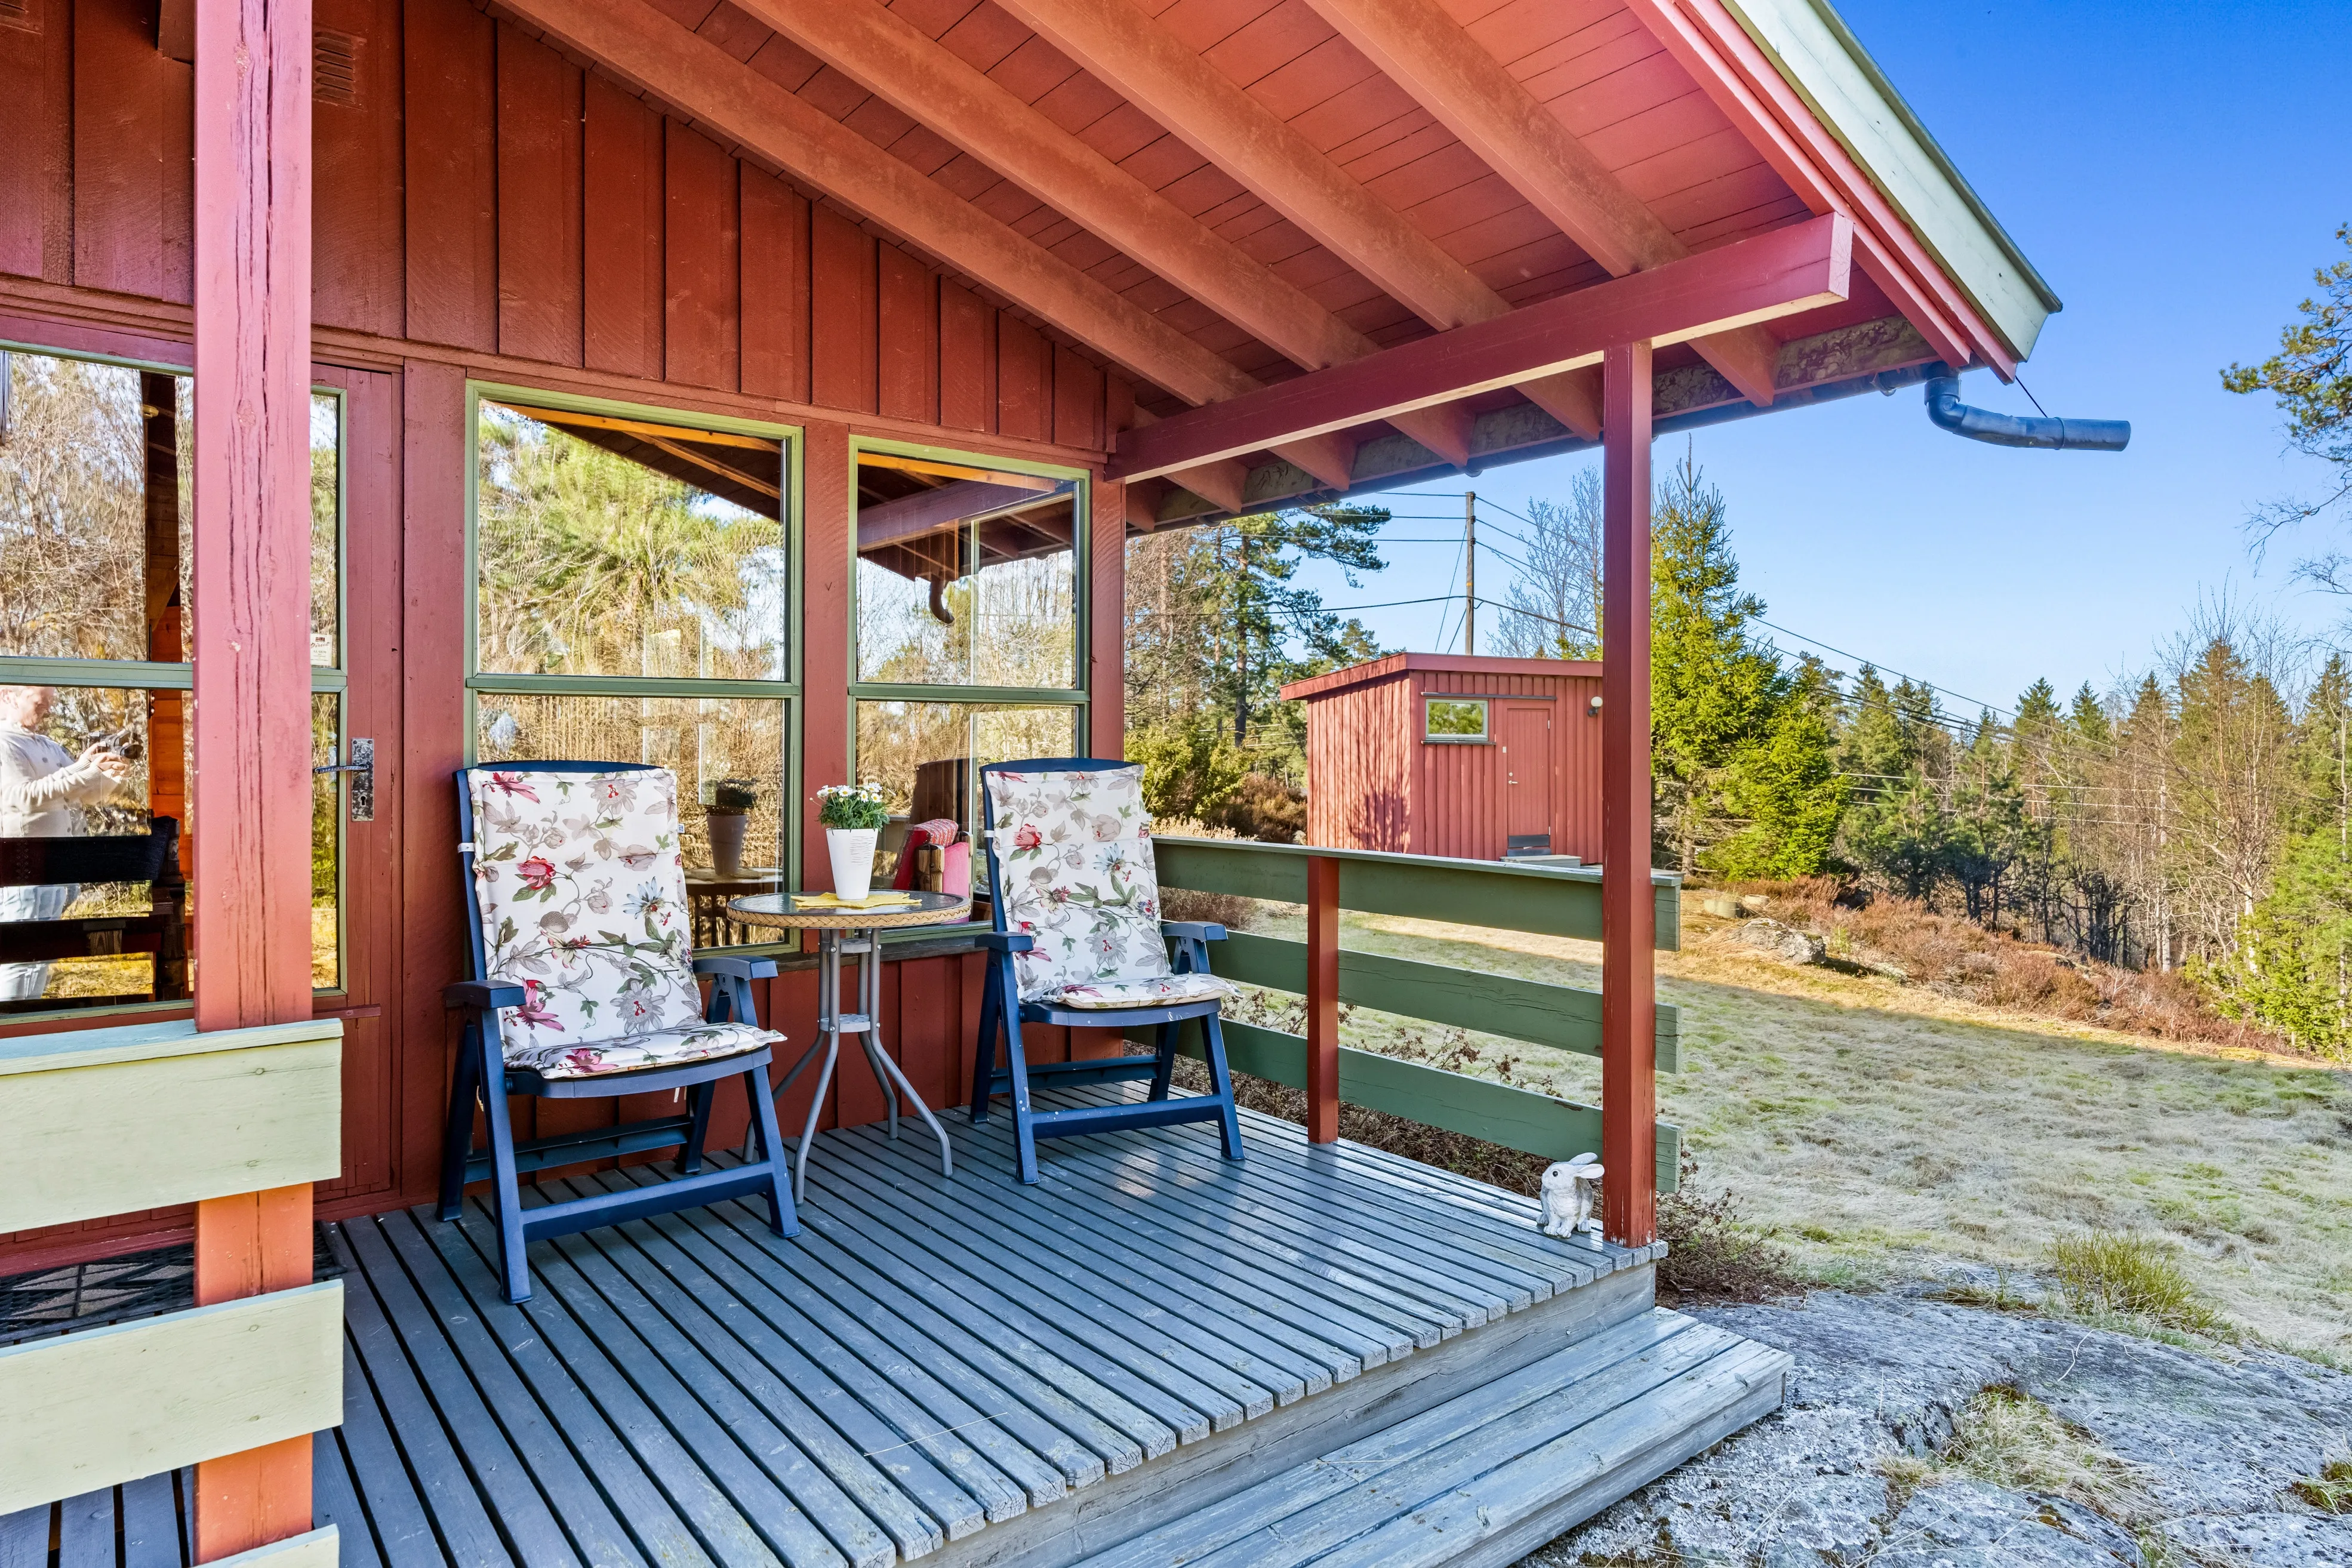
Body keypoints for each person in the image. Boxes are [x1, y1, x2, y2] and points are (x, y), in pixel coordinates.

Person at [0, 686, 134, 1002]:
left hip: (57, 865)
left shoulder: (47, 744)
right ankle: (12, 1033)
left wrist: (110, 773)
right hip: (24, 868)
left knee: (41, 955)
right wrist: (81, 768)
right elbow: (23, 797)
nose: (47, 709)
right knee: (21, 957)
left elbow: (82, 793)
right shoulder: (5, 744)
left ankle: (28, 1028)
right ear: (9, 697)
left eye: (51, 703)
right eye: (40, 702)